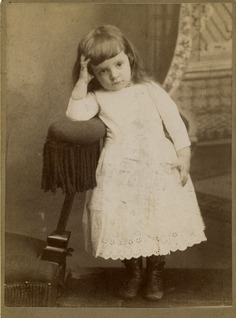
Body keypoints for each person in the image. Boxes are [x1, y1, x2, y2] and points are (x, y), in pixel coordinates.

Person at [66, 25, 207, 301]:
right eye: (102, 71)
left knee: (156, 218)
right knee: (124, 220)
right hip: (120, 170)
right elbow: (74, 114)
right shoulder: (97, 97)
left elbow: (175, 124)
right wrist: (82, 82)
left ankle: (154, 272)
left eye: (118, 64)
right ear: (93, 73)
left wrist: (183, 156)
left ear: (129, 58)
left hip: (157, 165)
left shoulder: (149, 89)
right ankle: (134, 273)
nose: (113, 75)